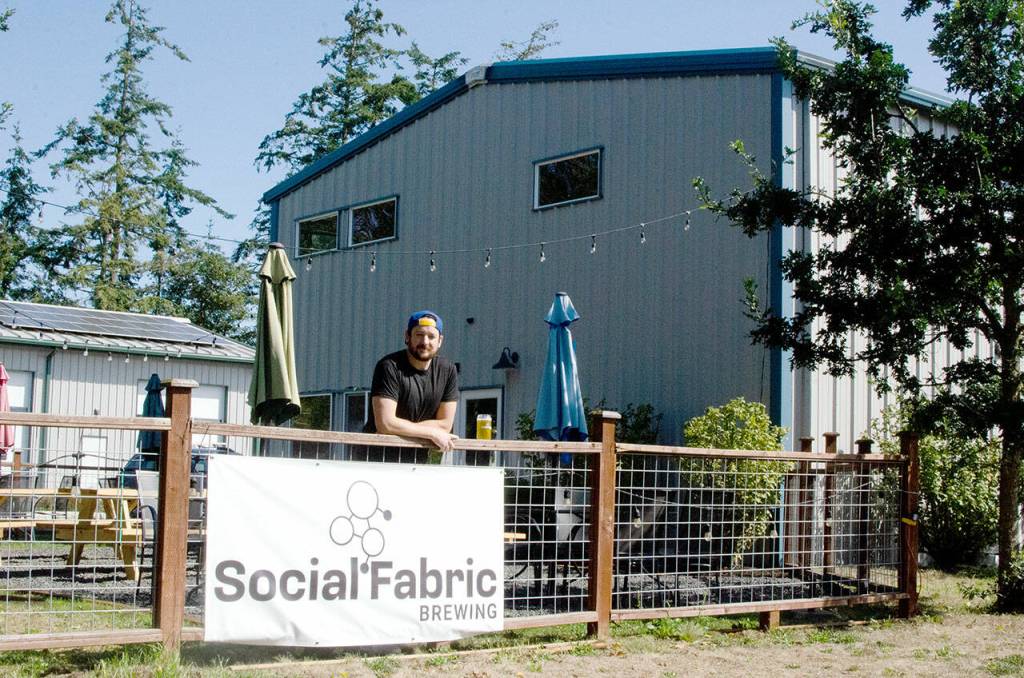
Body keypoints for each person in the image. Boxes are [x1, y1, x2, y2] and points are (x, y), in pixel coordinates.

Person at [355, 310, 459, 463]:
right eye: (419, 334)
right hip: (377, 460)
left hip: (417, 462)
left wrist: (398, 428)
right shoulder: (389, 366)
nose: (425, 341)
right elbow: (385, 423)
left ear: (440, 341)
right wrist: (432, 433)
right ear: (407, 336)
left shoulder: (448, 370)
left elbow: (445, 425)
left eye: (431, 336)